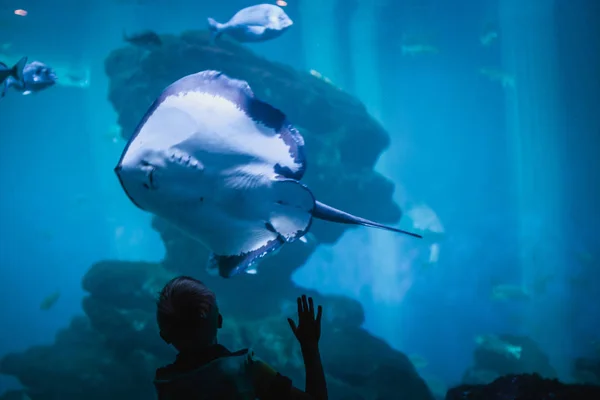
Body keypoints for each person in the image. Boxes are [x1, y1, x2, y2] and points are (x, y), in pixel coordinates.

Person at [154, 276, 328, 400]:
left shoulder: (165, 382)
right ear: (219, 320)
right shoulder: (247, 369)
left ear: (164, 336)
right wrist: (309, 346)